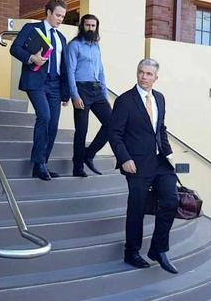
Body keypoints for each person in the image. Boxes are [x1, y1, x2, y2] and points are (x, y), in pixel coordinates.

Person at [109, 58, 179, 274]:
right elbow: (114, 133)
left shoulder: (160, 98)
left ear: (155, 78)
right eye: (141, 72)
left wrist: (168, 153)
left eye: (149, 74)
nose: (144, 77)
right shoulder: (125, 101)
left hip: (160, 162)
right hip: (136, 164)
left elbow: (160, 128)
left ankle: (158, 249)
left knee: (170, 201)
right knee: (137, 208)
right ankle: (131, 251)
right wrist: (124, 159)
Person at [10, 0, 70, 181]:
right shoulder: (31, 28)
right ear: (49, 13)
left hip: (56, 85)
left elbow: (65, 66)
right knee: (44, 116)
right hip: (36, 81)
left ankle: (43, 163)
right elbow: (15, 48)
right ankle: (38, 163)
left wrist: (66, 92)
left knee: (53, 125)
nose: (60, 19)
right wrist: (31, 58)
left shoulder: (61, 38)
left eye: (63, 16)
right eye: (58, 15)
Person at [66, 14, 111, 177]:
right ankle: (77, 167)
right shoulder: (74, 45)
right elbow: (69, 71)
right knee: (81, 130)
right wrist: (74, 95)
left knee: (112, 123)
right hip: (81, 90)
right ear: (82, 26)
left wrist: (104, 95)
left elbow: (100, 71)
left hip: (97, 90)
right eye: (87, 25)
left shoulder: (96, 46)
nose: (90, 28)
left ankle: (89, 154)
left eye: (93, 26)